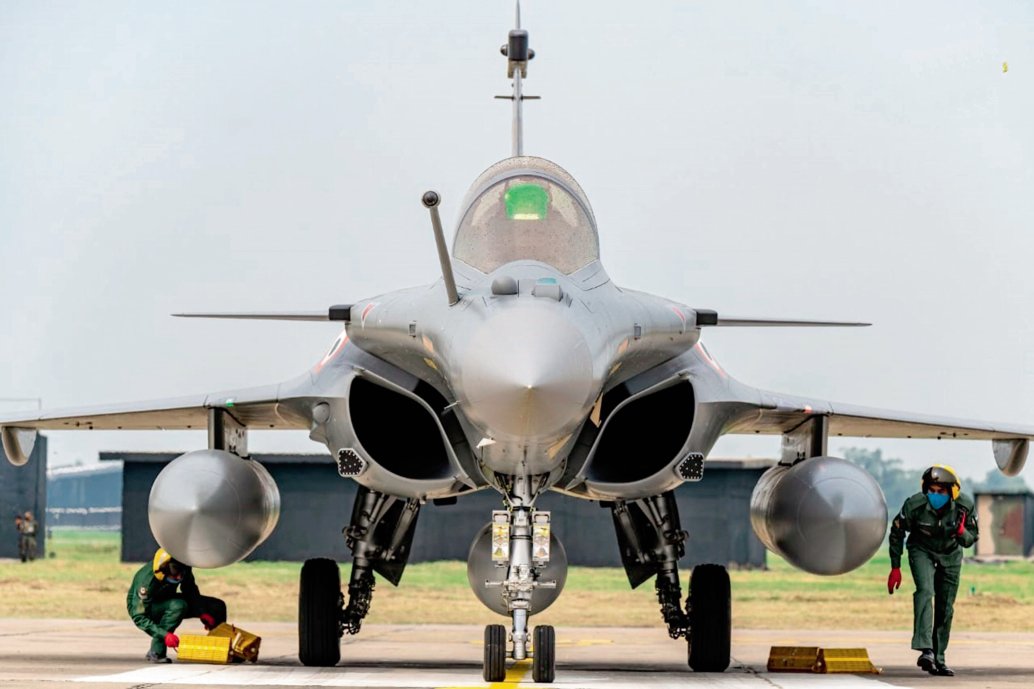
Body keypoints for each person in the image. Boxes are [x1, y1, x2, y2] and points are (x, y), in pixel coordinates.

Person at [887, 464, 978, 677]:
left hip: (951, 553)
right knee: (925, 591)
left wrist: (962, 532)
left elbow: (972, 538)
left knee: (946, 606)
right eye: (931, 490)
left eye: (941, 491)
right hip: (922, 549)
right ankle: (925, 649)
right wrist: (895, 567)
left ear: (952, 492)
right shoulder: (915, 505)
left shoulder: (964, 506)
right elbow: (897, 531)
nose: (935, 495)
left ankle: (939, 659)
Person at [126, 548, 227, 663]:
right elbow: (139, 617)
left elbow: (190, 590)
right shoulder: (146, 582)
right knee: (178, 606)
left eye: (181, 574)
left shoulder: (183, 566)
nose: (179, 578)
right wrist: (165, 635)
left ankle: (222, 649)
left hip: (169, 599)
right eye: (175, 574)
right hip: (147, 608)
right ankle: (156, 651)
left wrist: (202, 611)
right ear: (164, 570)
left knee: (216, 606)